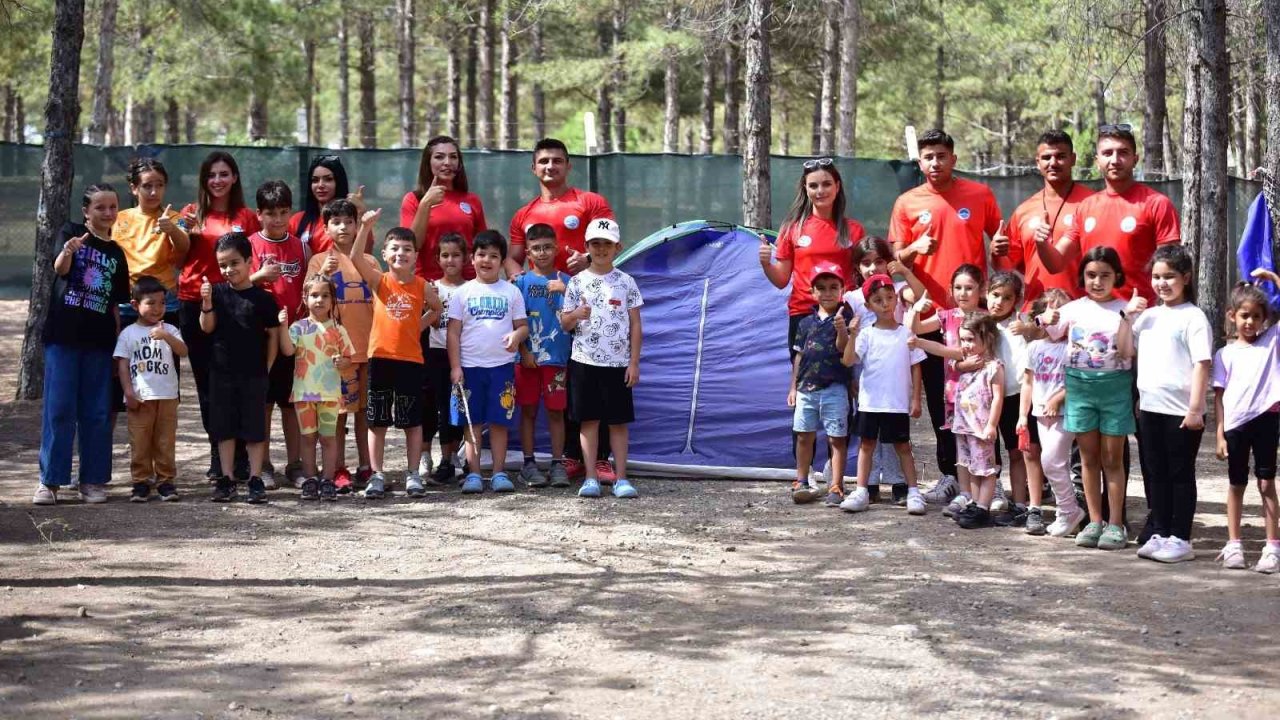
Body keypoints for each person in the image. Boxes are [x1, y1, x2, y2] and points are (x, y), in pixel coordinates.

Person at [889, 129, 1004, 507]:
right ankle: (950, 474)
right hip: (935, 318)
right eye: (928, 157)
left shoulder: (979, 195)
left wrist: (999, 292)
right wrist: (913, 250)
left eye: (941, 155)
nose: (935, 162)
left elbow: (1000, 243)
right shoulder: (907, 202)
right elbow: (893, 260)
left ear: (953, 158)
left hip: (975, 320)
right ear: (919, 162)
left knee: (986, 398)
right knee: (944, 403)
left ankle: (992, 476)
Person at [507, 138, 616, 481]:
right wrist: (518, 280)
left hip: (589, 308)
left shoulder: (590, 202)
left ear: (569, 166)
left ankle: (599, 457)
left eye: (557, 161)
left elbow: (613, 242)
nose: (550, 167)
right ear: (533, 168)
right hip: (544, 320)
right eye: (543, 161)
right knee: (561, 389)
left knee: (592, 379)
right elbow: (512, 258)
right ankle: (568, 457)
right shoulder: (524, 214)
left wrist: (586, 261)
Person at [32, 184, 131, 506]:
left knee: (97, 412)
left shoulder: (117, 253)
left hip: (100, 342)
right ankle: (50, 482)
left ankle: (92, 480)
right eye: (100, 207)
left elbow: (116, 305)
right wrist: (68, 251)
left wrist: (117, 350)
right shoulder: (70, 233)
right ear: (86, 211)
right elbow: (59, 269)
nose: (107, 213)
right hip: (63, 337)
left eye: (113, 207)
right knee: (59, 409)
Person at [1045, 246, 1143, 550]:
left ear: (1117, 277)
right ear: (1082, 277)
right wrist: (1045, 318)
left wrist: (1128, 318)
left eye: (1104, 275)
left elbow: (1129, 352)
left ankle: (1116, 525)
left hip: (1115, 389)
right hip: (1079, 388)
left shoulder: (1126, 309)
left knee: (1113, 458)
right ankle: (1094, 521)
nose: (1097, 281)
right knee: (1087, 458)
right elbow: (1049, 332)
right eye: (1091, 275)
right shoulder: (1073, 309)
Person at [178, 151, 261, 480]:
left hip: (235, 304)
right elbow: (176, 253)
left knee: (236, 380)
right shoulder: (190, 214)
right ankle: (218, 455)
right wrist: (176, 231)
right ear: (203, 179)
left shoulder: (247, 216)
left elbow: (254, 258)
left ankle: (240, 457)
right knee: (207, 384)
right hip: (194, 303)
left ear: (235, 178)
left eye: (224, 174)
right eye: (211, 175)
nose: (217, 180)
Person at [1129, 244, 1213, 563]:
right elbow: (1126, 349)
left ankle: (1181, 538)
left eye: (1170, 277)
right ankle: (1160, 532)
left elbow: (1201, 363)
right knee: (1156, 472)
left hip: (1181, 412)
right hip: (1150, 408)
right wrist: (1128, 317)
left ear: (1186, 278)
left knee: (1180, 473)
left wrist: (1194, 409)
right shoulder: (1148, 317)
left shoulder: (1193, 317)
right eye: (1156, 277)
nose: (1162, 283)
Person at [1037, 124, 1180, 306]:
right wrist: (1041, 243)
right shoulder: (1086, 207)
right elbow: (1055, 264)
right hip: (1095, 318)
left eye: (1123, 153)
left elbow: (1171, 269)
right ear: (1097, 161)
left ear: (1135, 159)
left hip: (1140, 315)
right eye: (1107, 153)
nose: (1115, 160)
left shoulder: (1157, 203)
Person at [349, 213, 440, 498]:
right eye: (395, 248)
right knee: (377, 420)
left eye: (407, 249)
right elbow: (356, 258)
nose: (401, 253)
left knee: (412, 421)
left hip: (411, 361)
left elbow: (436, 309)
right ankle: (377, 475)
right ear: (385, 254)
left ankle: (413, 474)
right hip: (381, 358)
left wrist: (417, 325)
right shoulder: (380, 281)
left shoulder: (423, 286)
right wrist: (365, 226)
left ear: (415, 255)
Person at [560, 219, 644, 499]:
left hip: (618, 364)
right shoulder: (576, 282)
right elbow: (564, 324)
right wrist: (575, 315)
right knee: (589, 421)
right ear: (586, 248)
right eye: (595, 244)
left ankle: (621, 478)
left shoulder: (626, 282)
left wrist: (633, 362)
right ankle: (591, 478)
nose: (601, 249)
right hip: (584, 362)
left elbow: (636, 325)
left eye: (607, 244)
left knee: (618, 422)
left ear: (617, 247)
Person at [200, 232, 282, 504]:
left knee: (255, 428)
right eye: (223, 265)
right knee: (224, 428)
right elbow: (207, 327)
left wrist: (267, 367)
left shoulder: (263, 299)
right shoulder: (217, 293)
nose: (228, 270)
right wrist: (207, 304)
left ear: (249, 262)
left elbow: (272, 335)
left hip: (254, 374)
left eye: (234, 263)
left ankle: (255, 478)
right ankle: (226, 478)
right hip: (221, 373)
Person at [843, 237, 924, 502]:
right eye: (865, 263)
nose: (886, 303)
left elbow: (921, 296)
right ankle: (865, 488)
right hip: (869, 381)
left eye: (878, 261)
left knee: (898, 443)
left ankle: (903, 485)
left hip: (896, 382)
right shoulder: (853, 300)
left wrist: (904, 269)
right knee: (867, 441)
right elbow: (848, 355)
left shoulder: (900, 291)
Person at [447, 230, 528, 494]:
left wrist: (516, 335)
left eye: (494, 256)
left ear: (502, 261)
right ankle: (473, 474)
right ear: (472, 258)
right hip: (470, 368)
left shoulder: (512, 293)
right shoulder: (462, 293)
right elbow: (453, 332)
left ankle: (499, 473)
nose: (487, 260)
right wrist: (456, 366)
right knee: (472, 424)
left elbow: (523, 327)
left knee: (499, 421)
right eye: (482, 254)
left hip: (501, 368)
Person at [306, 199, 377, 493]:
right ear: (326, 228)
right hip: (336, 354)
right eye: (336, 222)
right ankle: (336, 468)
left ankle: (366, 465)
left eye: (349, 221)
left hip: (368, 348)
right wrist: (325, 270)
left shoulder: (370, 261)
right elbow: (309, 299)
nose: (343, 227)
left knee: (364, 412)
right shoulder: (318, 260)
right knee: (337, 413)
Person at [1213, 271, 1280, 572]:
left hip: (1267, 420)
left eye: (1256, 316)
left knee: (1266, 483)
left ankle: (1272, 547)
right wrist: (1219, 434)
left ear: (1265, 319)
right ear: (1232, 316)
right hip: (1235, 425)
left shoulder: (1271, 344)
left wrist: (1273, 279)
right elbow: (1219, 397)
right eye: (1244, 316)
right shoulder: (1224, 354)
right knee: (1236, 483)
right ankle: (1234, 545)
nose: (1250, 322)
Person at [908, 263, 985, 515]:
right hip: (954, 392)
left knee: (983, 441)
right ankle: (965, 492)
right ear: (951, 291)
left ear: (980, 290)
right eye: (958, 288)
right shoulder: (946, 316)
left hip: (982, 393)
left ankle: (988, 488)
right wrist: (915, 309)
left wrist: (956, 360)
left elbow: (974, 353)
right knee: (960, 441)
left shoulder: (985, 319)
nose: (963, 293)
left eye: (969, 288)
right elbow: (916, 329)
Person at [920, 313, 1005, 529]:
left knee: (985, 468)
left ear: (987, 339)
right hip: (964, 426)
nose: (966, 345)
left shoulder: (994, 367)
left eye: (971, 339)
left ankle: (983, 508)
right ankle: (975, 503)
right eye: (963, 340)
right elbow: (952, 366)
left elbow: (997, 398)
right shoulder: (965, 365)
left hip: (981, 427)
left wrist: (992, 425)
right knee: (970, 467)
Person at [249, 180, 307, 490]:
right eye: (271, 213)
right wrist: (258, 277)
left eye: (284, 212)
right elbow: (234, 285)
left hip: (293, 337)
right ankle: (264, 464)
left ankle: (295, 464)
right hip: (259, 338)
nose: (278, 219)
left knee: (290, 403)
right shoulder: (249, 245)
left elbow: (310, 290)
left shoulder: (301, 246)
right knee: (263, 403)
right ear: (259, 213)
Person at [993, 130, 1093, 307]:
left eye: (1060, 156)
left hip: (1082, 310)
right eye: (1047, 157)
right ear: (1038, 162)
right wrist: (995, 252)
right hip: (1034, 312)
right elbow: (1006, 267)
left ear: (1073, 159)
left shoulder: (1092, 203)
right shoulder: (1024, 210)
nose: (1053, 163)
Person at [279, 274, 356, 501]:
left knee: (328, 438)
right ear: (305, 298)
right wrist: (283, 327)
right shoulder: (298, 328)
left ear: (333, 300)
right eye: (314, 295)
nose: (319, 300)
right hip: (304, 393)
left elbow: (348, 358)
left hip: (330, 394)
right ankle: (311, 479)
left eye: (325, 295)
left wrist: (343, 362)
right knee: (308, 438)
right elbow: (287, 351)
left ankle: (328, 480)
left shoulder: (339, 330)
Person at [114, 275, 188, 503]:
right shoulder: (129, 333)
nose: (157, 308)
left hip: (167, 396)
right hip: (141, 398)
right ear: (135, 305)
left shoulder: (171, 329)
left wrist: (166, 336)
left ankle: (166, 481)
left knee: (165, 440)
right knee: (140, 440)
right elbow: (122, 364)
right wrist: (128, 392)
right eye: (151, 303)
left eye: (162, 303)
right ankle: (141, 482)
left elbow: (183, 351)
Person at [1016, 289, 1082, 537]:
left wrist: (1058, 398)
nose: (1055, 318)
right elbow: (1028, 383)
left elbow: (1077, 379)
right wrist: (1023, 415)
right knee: (1056, 464)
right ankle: (1065, 512)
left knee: (1051, 461)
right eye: (1050, 312)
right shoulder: (1034, 347)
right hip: (1040, 415)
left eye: (1061, 312)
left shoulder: (1073, 347)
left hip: (1065, 413)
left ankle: (1069, 509)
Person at [786, 262, 852, 506]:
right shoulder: (804, 323)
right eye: (821, 288)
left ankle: (836, 484)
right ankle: (801, 480)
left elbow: (844, 351)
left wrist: (842, 330)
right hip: (806, 389)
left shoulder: (846, 317)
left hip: (835, 387)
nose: (827, 293)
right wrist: (793, 386)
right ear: (812, 292)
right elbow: (799, 356)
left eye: (833, 287)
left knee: (836, 438)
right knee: (804, 435)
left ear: (842, 290)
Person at [514, 224, 573, 488]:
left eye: (547, 247)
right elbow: (512, 323)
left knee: (557, 412)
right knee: (527, 411)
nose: (542, 253)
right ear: (527, 252)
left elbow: (579, 317)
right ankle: (528, 463)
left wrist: (566, 292)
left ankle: (558, 463)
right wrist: (523, 351)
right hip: (526, 361)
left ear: (556, 248)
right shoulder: (520, 283)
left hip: (557, 360)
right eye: (536, 248)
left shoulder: (569, 282)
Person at [112, 157, 189, 323]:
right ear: (134, 188)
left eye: (160, 185)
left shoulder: (175, 218)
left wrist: (171, 229)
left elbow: (184, 246)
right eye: (147, 186)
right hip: (127, 301)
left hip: (164, 301)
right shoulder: (118, 218)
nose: (154, 192)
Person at [401, 135, 488, 281]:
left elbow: (484, 246)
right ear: (428, 162)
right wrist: (425, 204)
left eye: (453, 157)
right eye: (439, 157)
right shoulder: (413, 200)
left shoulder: (472, 200)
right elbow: (411, 246)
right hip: (428, 284)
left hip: (468, 284)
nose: (447, 162)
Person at [421, 233, 468, 486]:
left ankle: (451, 460)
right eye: (445, 255)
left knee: (455, 408)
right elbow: (432, 322)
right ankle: (427, 456)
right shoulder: (430, 287)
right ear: (437, 258)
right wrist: (431, 304)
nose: (450, 260)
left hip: (461, 355)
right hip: (434, 353)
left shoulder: (470, 289)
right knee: (433, 406)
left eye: (456, 255)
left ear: (465, 258)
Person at [985, 271, 1030, 524]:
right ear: (986, 293)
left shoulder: (1020, 324)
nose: (999, 302)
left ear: (1017, 300)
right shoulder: (983, 324)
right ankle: (986, 498)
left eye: (1007, 297)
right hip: (990, 398)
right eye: (995, 295)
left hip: (1017, 396)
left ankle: (1021, 503)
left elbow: (1041, 334)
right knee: (989, 451)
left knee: (1018, 452)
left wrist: (1028, 328)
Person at [291, 154, 363, 256]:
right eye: (315, 180)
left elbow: (365, 253)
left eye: (328, 179)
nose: (320, 185)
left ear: (339, 182)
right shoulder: (297, 220)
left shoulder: (355, 218)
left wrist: (360, 215)